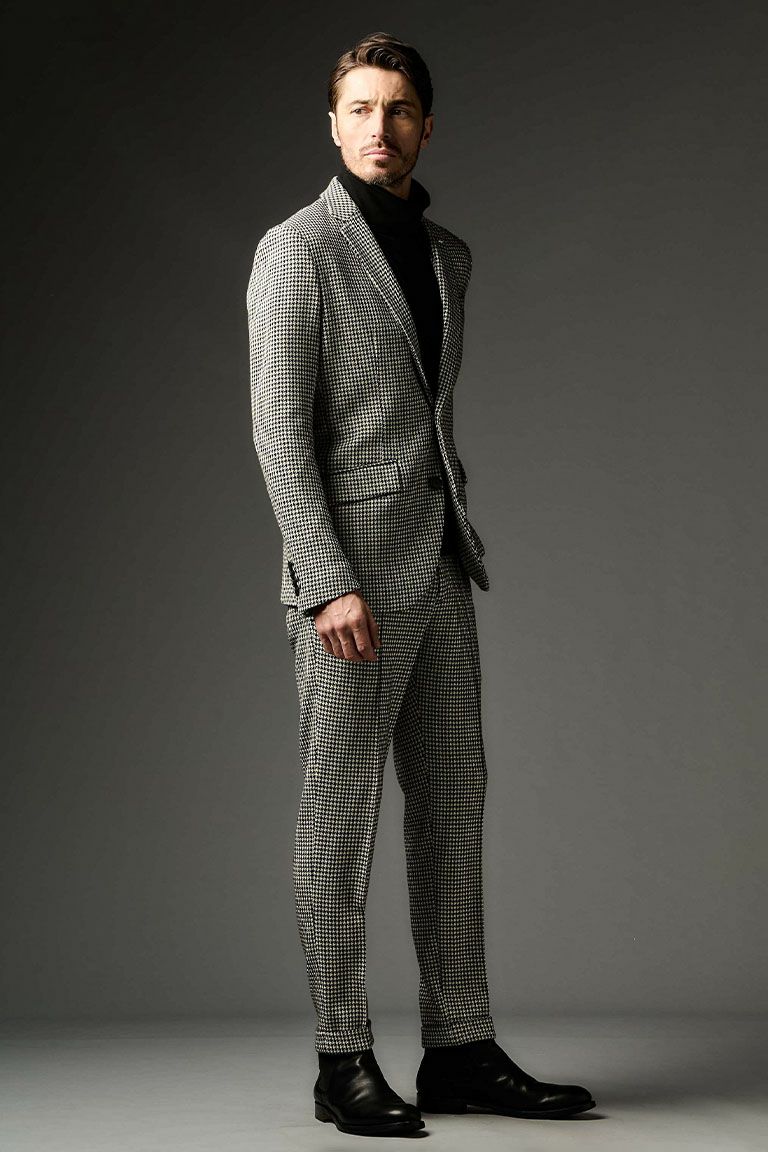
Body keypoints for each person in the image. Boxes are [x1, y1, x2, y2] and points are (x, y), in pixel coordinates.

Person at [247, 30, 596, 1138]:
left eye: (399, 109)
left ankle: (460, 1047)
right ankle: (341, 1059)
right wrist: (325, 581)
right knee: (339, 820)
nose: (379, 127)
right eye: (360, 107)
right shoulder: (296, 250)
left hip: (440, 567)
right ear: (332, 122)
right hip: (347, 585)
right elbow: (280, 436)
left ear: (427, 127)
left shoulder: (447, 255)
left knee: (453, 811)